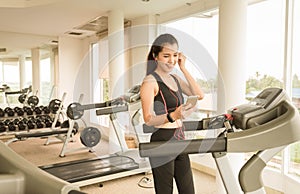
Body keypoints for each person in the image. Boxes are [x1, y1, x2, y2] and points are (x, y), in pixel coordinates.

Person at [140, 33, 204, 194]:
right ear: (156, 56)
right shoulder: (150, 81)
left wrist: (183, 68)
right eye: (166, 56)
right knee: (165, 191)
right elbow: (148, 119)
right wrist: (173, 116)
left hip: (180, 138)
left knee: (188, 190)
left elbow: (199, 94)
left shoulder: (175, 78)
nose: (171, 60)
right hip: (162, 139)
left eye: (175, 55)